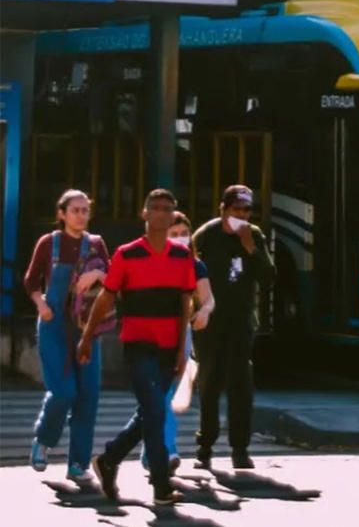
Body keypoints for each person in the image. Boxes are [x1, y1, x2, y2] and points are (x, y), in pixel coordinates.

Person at [77, 188, 195, 507]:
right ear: (144, 214)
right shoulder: (127, 254)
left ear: (173, 215)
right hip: (138, 344)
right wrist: (87, 337)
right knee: (155, 411)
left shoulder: (183, 257)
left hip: (170, 347)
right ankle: (160, 486)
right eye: (154, 208)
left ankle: (109, 459)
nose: (160, 213)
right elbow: (106, 297)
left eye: (166, 208)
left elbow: (186, 302)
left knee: (150, 413)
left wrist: (183, 352)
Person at [24, 189, 109, 483]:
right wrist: (42, 304)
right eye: (75, 210)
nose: (81, 215)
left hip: (87, 327)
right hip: (54, 324)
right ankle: (43, 439)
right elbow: (31, 280)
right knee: (63, 391)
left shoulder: (96, 244)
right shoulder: (49, 243)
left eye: (85, 210)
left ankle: (78, 464)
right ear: (61, 213)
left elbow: (112, 282)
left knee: (88, 395)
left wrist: (96, 275)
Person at [192, 184, 275, 470]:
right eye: (237, 209)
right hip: (209, 321)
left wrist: (251, 250)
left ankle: (240, 448)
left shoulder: (254, 236)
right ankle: (205, 445)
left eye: (247, 210)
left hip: (240, 321)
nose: (242, 215)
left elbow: (268, 277)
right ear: (224, 210)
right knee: (209, 384)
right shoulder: (207, 235)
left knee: (240, 385)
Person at [142, 210, 215, 472]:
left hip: (180, 336)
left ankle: (157, 450)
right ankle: (163, 450)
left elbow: (208, 298)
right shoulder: (149, 260)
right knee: (156, 396)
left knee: (164, 395)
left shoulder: (196, 265)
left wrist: (204, 311)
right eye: (174, 234)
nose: (181, 238)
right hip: (149, 335)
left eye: (185, 234)